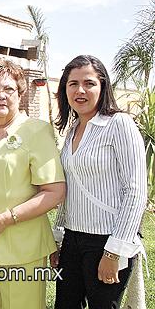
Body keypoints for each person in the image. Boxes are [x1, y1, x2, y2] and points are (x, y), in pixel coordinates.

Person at [0, 57, 66, 309]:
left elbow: (55, 191)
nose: (1, 96)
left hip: (22, 247)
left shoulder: (36, 131)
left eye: (8, 89)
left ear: (20, 93)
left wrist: (5, 218)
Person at [52, 55, 147, 309]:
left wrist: (113, 251)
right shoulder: (73, 129)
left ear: (103, 86)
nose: (80, 90)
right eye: (73, 84)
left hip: (107, 238)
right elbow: (70, 188)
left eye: (89, 83)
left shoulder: (119, 124)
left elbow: (135, 191)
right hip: (73, 239)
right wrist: (59, 238)